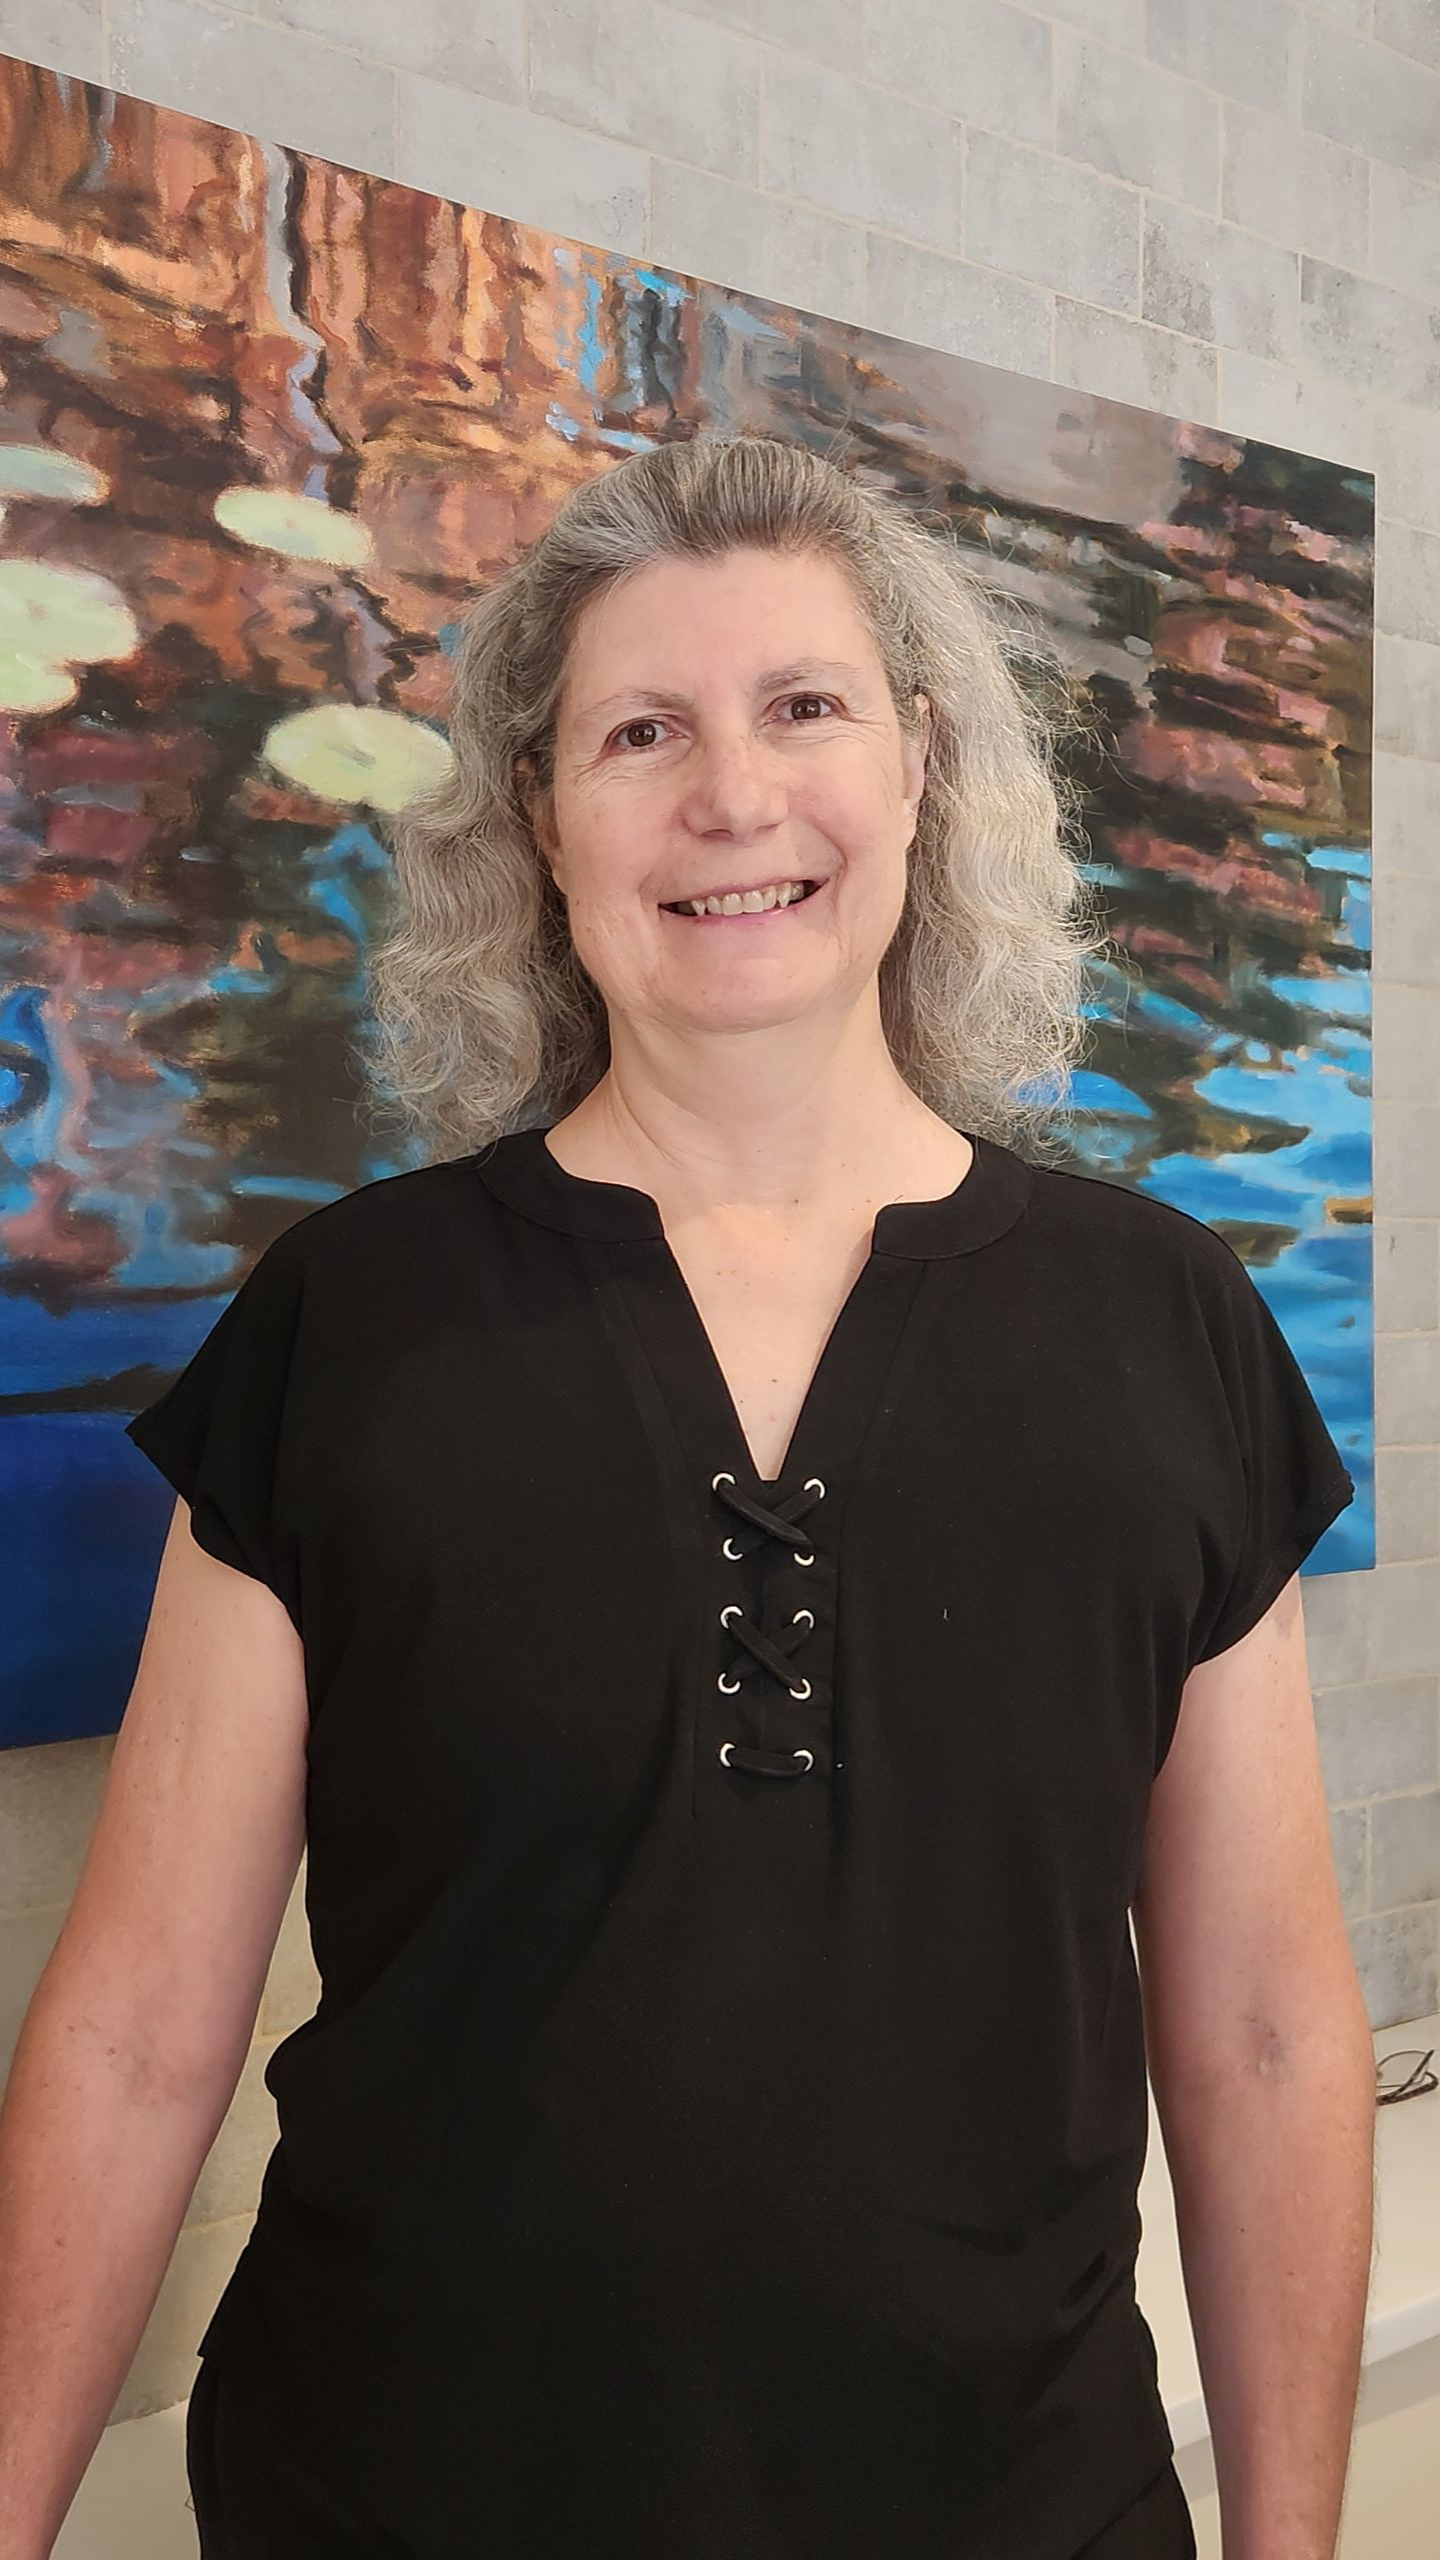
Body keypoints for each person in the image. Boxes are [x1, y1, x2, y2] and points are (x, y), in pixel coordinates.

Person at [0, 431, 1374, 2560]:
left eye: (802, 706)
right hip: (388, 2498)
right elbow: (136, 2028)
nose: (734, 797)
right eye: (642, 730)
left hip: (1020, 2509)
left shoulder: (1170, 1326)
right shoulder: (347, 1322)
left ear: (917, 766)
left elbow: (1275, 2033)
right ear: (541, 821)